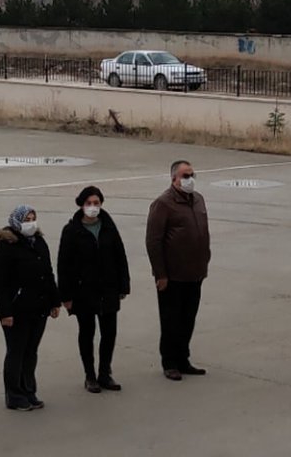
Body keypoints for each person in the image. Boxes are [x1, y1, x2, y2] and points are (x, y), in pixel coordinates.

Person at [57, 186, 130, 393]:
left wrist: (123, 285)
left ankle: (105, 373)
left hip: (108, 289)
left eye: (96, 203)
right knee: (87, 332)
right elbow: (64, 265)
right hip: (83, 292)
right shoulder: (71, 231)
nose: (93, 207)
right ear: (81, 205)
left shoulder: (108, 226)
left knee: (109, 333)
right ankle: (90, 375)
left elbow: (120, 256)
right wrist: (66, 296)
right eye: (89, 203)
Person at [0, 205, 60, 411]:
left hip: (39, 307)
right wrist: (5, 312)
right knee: (16, 352)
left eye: (33, 218)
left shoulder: (39, 242)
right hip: (17, 310)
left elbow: (48, 273)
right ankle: (14, 394)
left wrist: (54, 301)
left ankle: (29, 390)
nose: (31, 222)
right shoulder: (5, 247)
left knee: (31, 351)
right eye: (27, 219)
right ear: (16, 222)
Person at [145, 159, 211, 381]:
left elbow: (204, 232)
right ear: (174, 179)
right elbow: (153, 241)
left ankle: (183, 359)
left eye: (192, 175)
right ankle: (170, 362)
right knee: (171, 319)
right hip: (172, 276)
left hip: (195, 272)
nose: (189, 179)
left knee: (188, 318)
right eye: (185, 176)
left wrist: (205, 260)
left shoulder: (198, 199)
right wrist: (160, 274)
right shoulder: (163, 204)